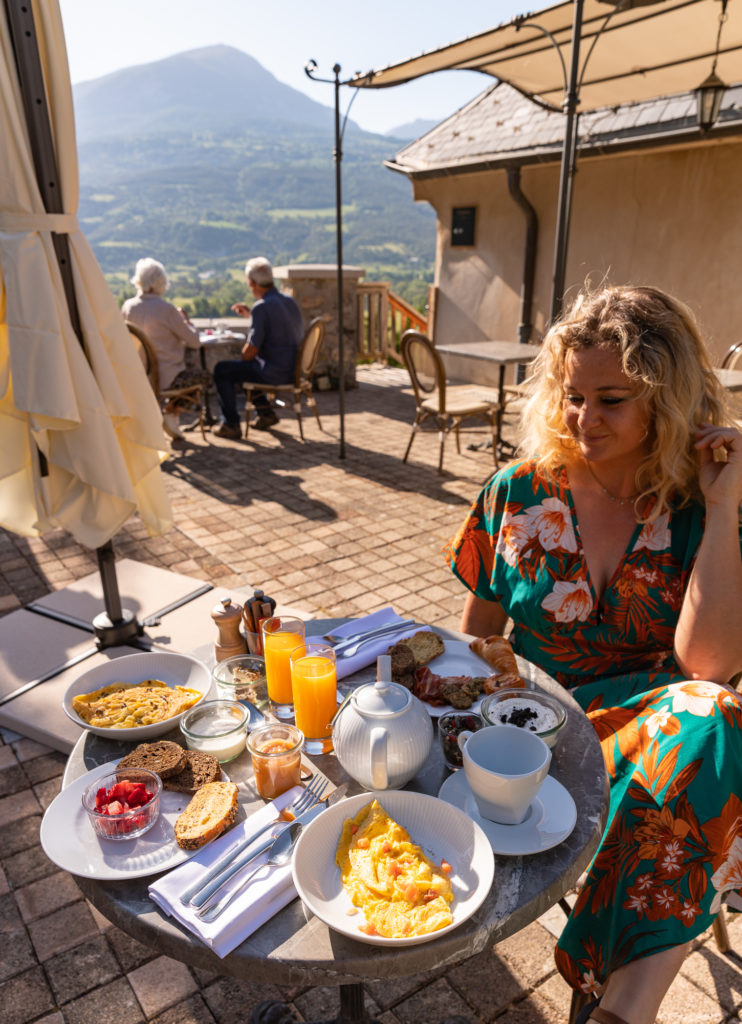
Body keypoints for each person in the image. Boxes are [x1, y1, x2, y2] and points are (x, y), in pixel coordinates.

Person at [445, 285, 742, 1024]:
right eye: (573, 395)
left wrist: (727, 503)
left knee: (711, 718)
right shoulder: (517, 492)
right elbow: (477, 638)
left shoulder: (703, 505)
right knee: (699, 779)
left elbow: (706, 665)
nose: (583, 419)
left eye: (610, 399)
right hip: (534, 735)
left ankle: (619, 1013)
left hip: (658, 741)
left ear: (666, 398)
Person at [212, 257, 303, 439]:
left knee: (223, 370)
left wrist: (245, 354)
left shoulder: (262, 307)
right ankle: (265, 414)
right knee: (246, 368)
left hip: (274, 373)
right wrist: (251, 316)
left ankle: (231, 424)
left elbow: (250, 351)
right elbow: (278, 327)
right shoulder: (289, 302)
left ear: (252, 283)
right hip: (294, 370)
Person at [122, 258, 209, 440]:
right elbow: (194, 342)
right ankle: (170, 411)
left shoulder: (128, 307)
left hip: (140, 375)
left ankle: (168, 416)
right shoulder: (166, 310)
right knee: (205, 377)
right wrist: (185, 321)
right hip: (168, 377)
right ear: (162, 282)